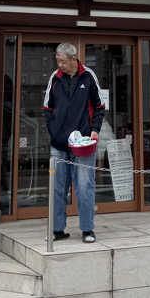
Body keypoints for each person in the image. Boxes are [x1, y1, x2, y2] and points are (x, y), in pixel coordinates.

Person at [43, 43, 105, 243]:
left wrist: (94, 130)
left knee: (85, 187)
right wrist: (54, 133)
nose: (59, 65)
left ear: (73, 59)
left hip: (83, 144)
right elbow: (47, 108)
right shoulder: (55, 78)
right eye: (58, 61)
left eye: (62, 61)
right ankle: (57, 230)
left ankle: (87, 229)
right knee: (57, 188)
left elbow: (100, 107)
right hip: (59, 144)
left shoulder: (88, 76)